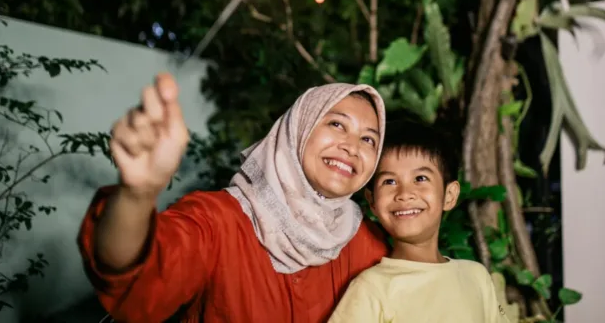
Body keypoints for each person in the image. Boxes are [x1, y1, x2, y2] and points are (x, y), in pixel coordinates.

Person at [77, 73, 389, 322]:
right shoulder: (219, 221)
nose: (353, 147)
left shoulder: (366, 244)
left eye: (368, 140)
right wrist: (136, 194)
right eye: (337, 124)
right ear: (299, 128)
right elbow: (138, 276)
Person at [328, 121, 509, 323]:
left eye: (420, 178)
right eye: (389, 181)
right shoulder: (372, 288)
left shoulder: (476, 277)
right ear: (372, 201)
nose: (404, 194)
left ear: (449, 195)